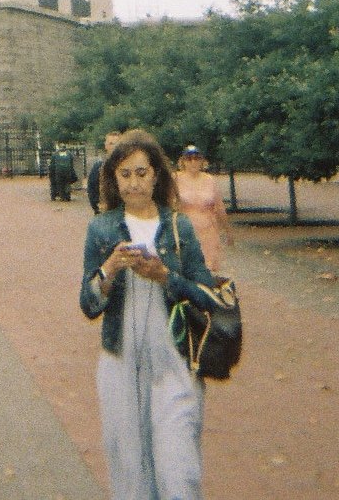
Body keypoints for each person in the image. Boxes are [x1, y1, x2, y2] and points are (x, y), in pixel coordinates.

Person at [80, 128, 217, 500]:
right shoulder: (102, 228)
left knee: (178, 470)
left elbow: (206, 295)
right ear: (113, 179)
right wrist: (107, 271)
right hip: (120, 363)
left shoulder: (179, 226)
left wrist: (165, 276)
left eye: (142, 172)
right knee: (129, 470)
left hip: (174, 362)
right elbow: (88, 304)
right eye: (124, 174)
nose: (134, 182)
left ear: (157, 175)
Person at [175, 147, 233, 276]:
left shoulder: (210, 180)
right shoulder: (176, 180)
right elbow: (168, 206)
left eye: (197, 158)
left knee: (207, 271)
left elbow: (219, 207)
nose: (193, 162)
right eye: (189, 159)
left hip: (208, 233)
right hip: (185, 233)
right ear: (183, 161)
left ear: (202, 161)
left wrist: (228, 231)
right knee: (187, 270)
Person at [88, 132, 121, 215]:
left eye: (117, 144)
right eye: (111, 143)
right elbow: (92, 189)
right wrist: (97, 207)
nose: (114, 147)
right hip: (105, 212)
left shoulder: (128, 167)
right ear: (106, 146)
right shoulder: (99, 167)